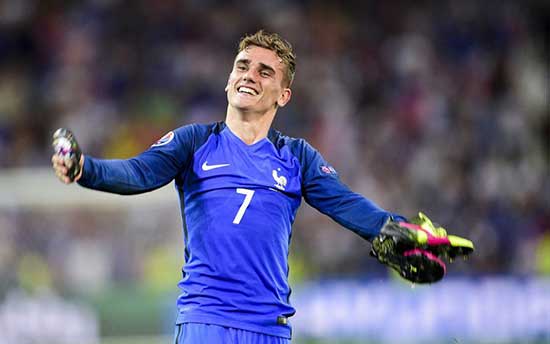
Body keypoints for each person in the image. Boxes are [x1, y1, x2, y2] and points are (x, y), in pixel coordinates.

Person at [52, 30, 472, 344]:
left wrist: (394, 227)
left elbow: (347, 205)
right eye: (242, 66)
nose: (249, 75)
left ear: (283, 95)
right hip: (206, 322)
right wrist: (84, 169)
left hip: (269, 328)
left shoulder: (297, 157)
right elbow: (137, 173)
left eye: (264, 71)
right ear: (228, 80)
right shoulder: (194, 141)